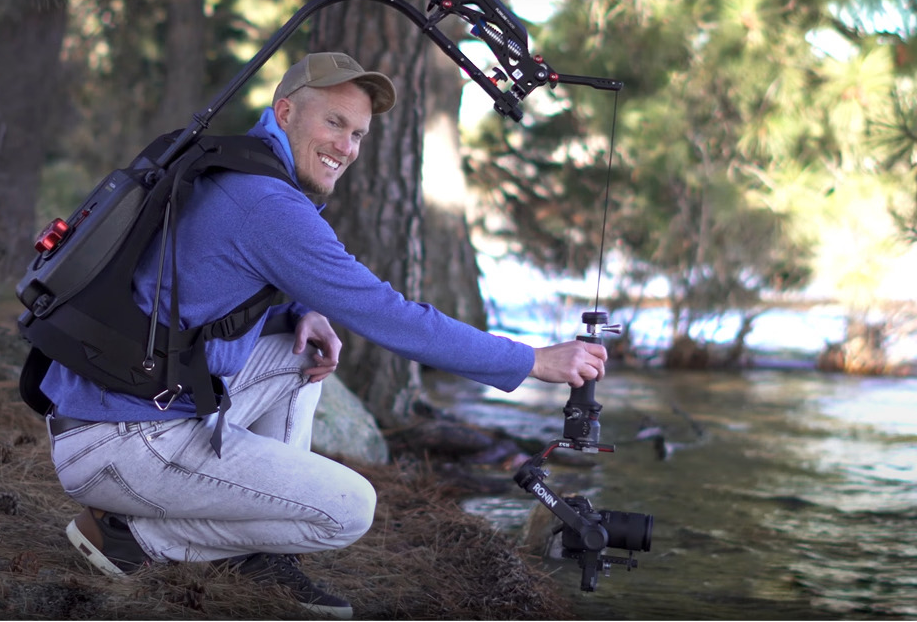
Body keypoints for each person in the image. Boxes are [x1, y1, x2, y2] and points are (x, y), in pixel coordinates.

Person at [39, 51, 607, 619]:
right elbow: (390, 314)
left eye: (358, 133)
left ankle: (256, 551)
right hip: (121, 442)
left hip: (111, 411)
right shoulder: (269, 203)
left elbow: (225, 266)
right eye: (334, 123)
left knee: (299, 353)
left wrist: (305, 308)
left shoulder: (241, 168)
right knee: (349, 509)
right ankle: (133, 540)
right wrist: (531, 361)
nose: (347, 147)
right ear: (285, 112)